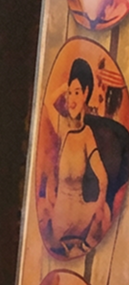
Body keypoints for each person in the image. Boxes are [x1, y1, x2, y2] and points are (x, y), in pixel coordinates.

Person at [44, 58, 110, 257]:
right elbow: (48, 101)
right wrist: (67, 86)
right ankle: (69, 247)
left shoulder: (87, 134)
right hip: (62, 218)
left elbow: (103, 177)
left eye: (77, 92)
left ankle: (82, 247)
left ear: (86, 94)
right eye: (70, 93)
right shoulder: (63, 127)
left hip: (81, 214)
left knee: (106, 213)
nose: (72, 99)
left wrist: (100, 203)